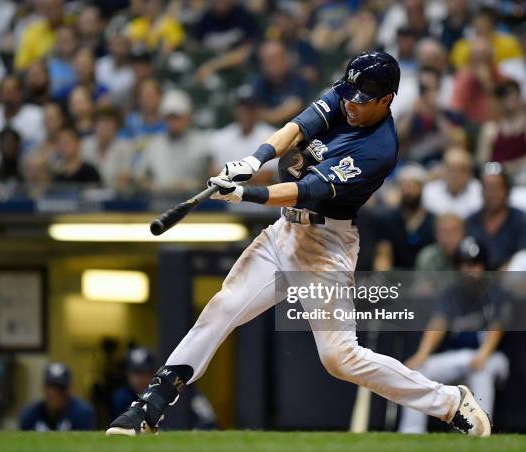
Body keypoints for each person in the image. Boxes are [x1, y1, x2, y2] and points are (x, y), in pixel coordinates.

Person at [107, 51, 491, 437]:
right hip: (285, 233)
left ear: (387, 100)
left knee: (340, 358)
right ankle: (149, 407)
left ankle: (449, 402)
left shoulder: (379, 149)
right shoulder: (346, 96)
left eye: (361, 100)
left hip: (327, 244)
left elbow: (308, 189)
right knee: (223, 307)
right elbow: (297, 126)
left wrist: (247, 194)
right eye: (349, 95)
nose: (350, 104)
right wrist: (252, 160)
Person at [399, 237, 510, 434]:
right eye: (465, 264)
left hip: (492, 358)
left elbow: (497, 327)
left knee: (480, 370)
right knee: (418, 369)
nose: (470, 270)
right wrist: (422, 354)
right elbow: (438, 324)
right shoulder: (453, 293)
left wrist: (484, 353)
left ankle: (478, 432)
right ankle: (411, 432)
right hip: (460, 357)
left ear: (484, 266)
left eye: (475, 264)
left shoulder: (496, 292)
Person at [111, 347, 217, 430]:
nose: (141, 379)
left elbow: (208, 420)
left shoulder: (176, 390)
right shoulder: (121, 397)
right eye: (137, 373)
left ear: (156, 373)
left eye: (146, 372)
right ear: (127, 374)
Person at [134, 89, 210, 192]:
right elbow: (139, 177)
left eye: (177, 117)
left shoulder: (201, 143)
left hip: (192, 201)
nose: (173, 122)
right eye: (169, 117)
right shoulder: (153, 144)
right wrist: (153, 186)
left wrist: (194, 184)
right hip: (159, 201)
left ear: (188, 118)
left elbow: (212, 175)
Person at [209, 86, 277, 185]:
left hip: (259, 197)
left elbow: (266, 175)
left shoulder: (272, 135)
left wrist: (229, 178)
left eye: (251, 107)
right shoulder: (220, 136)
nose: (246, 111)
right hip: (226, 197)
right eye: (242, 106)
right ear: (235, 109)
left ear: (259, 109)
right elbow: (214, 173)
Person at [466, 162, 526, 270]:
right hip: (476, 282)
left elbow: (523, 255)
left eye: (497, 188)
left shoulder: (521, 220)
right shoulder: (471, 221)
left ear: (507, 190)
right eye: (488, 188)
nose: (492, 193)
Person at [376, 164, 435, 270]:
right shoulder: (388, 220)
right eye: (405, 186)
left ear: (422, 188)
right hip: (396, 278)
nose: (409, 191)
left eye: (413, 186)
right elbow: (383, 254)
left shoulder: (433, 221)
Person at [0, 75, 44, 161]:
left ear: (21, 93)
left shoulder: (37, 116)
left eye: (12, 92)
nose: (8, 97)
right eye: (5, 92)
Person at [20, 362, 95, 431]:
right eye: (52, 388)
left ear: (69, 389)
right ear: (43, 388)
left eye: (61, 388)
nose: (56, 393)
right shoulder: (30, 414)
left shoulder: (82, 413)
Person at [251, 41, 310, 127]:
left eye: (274, 59)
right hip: (268, 132)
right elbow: (256, 113)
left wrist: (271, 115)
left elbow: (294, 107)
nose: (270, 65)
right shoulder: (259, 83)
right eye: (266, 61)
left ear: (285, 59)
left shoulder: (298, 79)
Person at [477, 80, 526, 178]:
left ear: (519, 97)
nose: (508, 100)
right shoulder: (491, 129)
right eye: (504, 97)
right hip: (498, 176)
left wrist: (508, 167)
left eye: (511, 95)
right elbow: (482, 161)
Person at [422, 147, 482, 219]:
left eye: (461, 170)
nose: (455, 175)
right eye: (451, 169)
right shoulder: (430, 191)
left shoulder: (479, 191)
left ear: (469, 173)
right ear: (443, 171)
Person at [80, 108, 134, 188]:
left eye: (108, 124)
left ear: (116, 128)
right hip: (89, 192)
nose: (104, 128)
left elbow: (125, 176)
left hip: (116, 194)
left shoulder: (126, 147)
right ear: (94, 126)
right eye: (101, 124)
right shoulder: (85, 145)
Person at [15, 0, 65, 70]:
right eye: (49, 9)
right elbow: (21, 65)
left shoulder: (72, 26)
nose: (54, 13)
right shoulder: (32, 32)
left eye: (57, 7)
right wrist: (39, 64)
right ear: (43, 11)